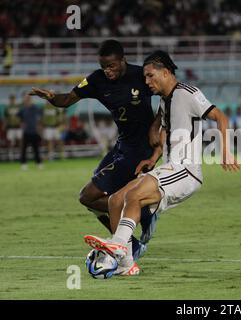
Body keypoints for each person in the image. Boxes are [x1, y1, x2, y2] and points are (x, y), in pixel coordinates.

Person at [84, 50, 240, 275]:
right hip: (169, 166)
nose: (146, 82)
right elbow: (163, 139)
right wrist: (151, 158)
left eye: (150, 76)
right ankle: (127, 265)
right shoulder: (165, 103)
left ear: (165, 73)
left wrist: (226, 151)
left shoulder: (188, 93)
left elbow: (221, 117)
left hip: (186, 170)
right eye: (145, 77)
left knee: (132, 196)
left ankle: (118, 244)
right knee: (116, 200)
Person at [30, 40, 160, 260]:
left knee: (87, 196)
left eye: (112, 66)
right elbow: (68, 99)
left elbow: (168, 97)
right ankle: (139, 222)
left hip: (141, 150)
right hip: (122, 146)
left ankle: (133, 234)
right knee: (92, 200)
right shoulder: (96, 80)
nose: (108, 71)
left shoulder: (141, 76)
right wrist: (53, 98)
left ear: (122, 60)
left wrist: (157, 127)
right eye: (104, 67)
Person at [18, 94, 43, 170]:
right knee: (24, 149)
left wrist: (39, 129)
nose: (26, 100)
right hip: (26, 132)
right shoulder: (23, 109)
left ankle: (39, 163)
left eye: (28, 99)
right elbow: (19, 118)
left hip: (34, 131)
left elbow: (40, 116)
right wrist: (21, 125)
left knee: (36, 149)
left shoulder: (35, 108)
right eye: (25, 99)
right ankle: (23, 164)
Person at [4, 94, 22, 161]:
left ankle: (20, 154)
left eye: (13, 99)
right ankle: (11, 155)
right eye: (11, 99)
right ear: (9, 100)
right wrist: (5, 126)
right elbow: (6, 118)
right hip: (10, 127)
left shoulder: (18, 107)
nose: (12, 100)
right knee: (10, 141)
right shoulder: (7, 107)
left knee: (20, 140)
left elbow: (21, 117)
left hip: (18, 126)